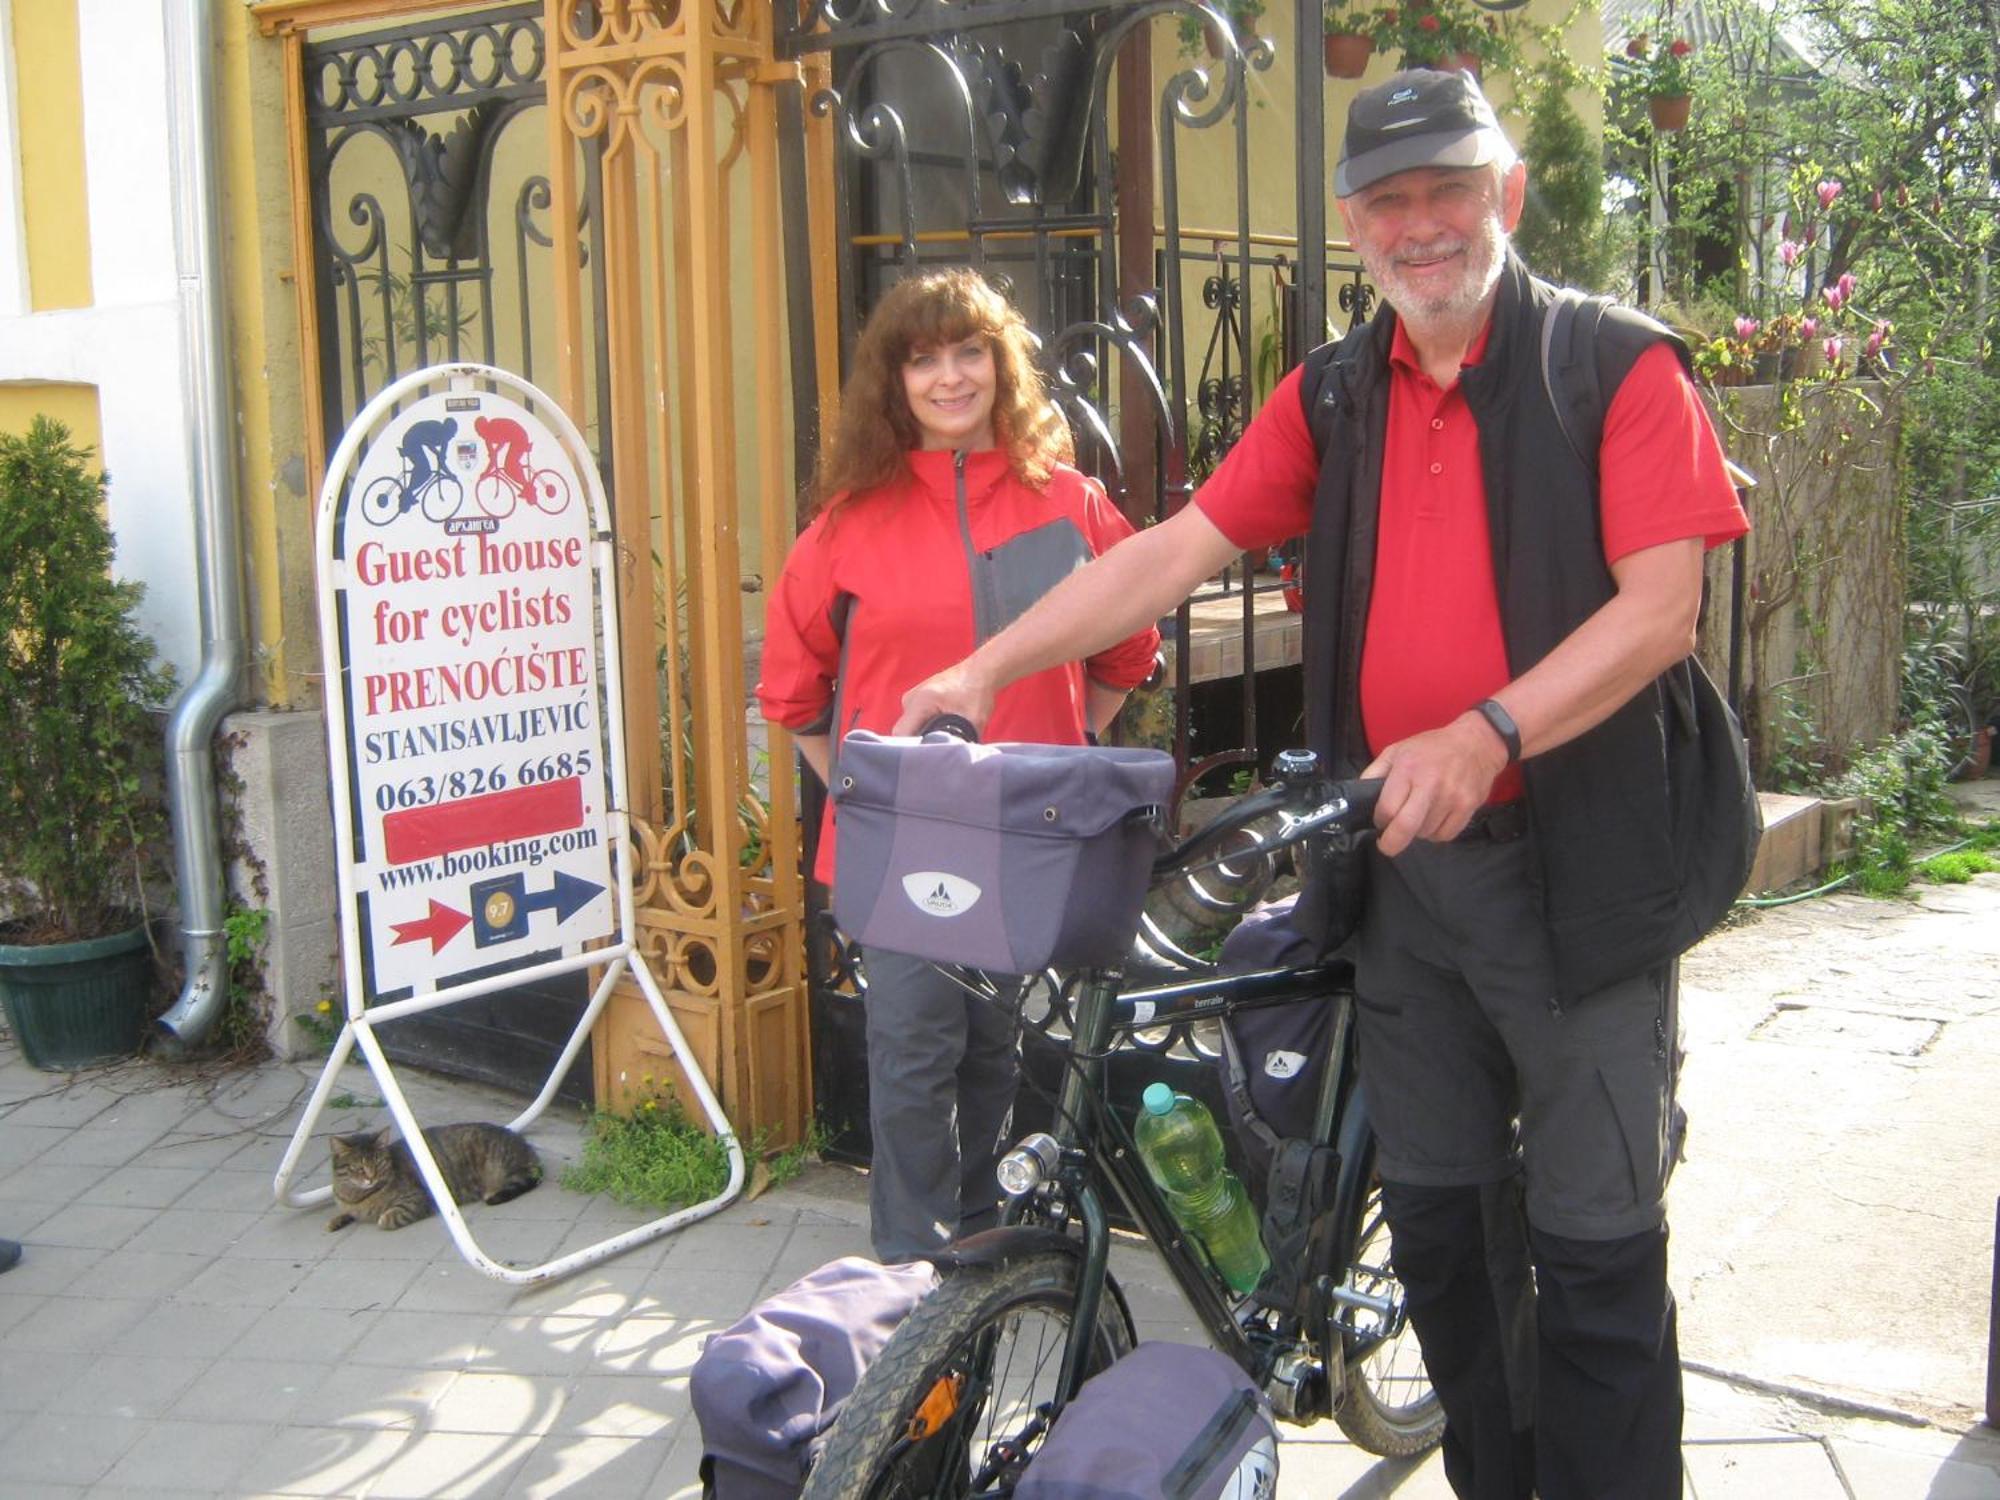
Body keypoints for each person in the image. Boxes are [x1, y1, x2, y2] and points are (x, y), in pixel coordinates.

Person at [895, 71, 1750, 1500]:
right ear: (1353, 224)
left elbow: (1661, 610)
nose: (1422, 227)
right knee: (1442, 1234)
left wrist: (1488, 731)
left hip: (1581, 874)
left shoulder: (1613, 369)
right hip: (1402, 873)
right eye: (1389, 201)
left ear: (1507, 195)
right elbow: (1173, 551)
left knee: (1595, 1254)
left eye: (1448, 190)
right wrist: (983, 671)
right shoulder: (1338, 390)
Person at [757, 268, 1159, 1264]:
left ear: (1001, 363)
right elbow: (793, 690)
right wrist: (868, 793)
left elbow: (1125, 648)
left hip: (1028, 839)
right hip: (903, 844)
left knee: (993, 1051)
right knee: (910, 1053)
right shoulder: (849, 522)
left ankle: (977, 1258)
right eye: (922, 358)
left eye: (966, 352)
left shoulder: (1066, 503)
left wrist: (1060, 749)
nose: (947, 377)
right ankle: (905, 1282)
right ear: (893, 383)